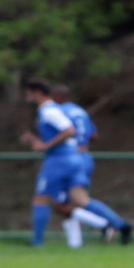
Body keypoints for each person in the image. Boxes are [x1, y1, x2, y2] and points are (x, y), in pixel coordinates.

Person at [20, 80, 133, 246]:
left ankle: (36, 243)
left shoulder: (50, 110)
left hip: (59, 159)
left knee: (43, 200)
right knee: (80, 200)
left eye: (28, 92)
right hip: (79, 157)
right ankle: (119, 225)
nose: (26, 96)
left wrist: (44, 145)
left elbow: (68, 130)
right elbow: (92, 135)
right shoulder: (78, 111)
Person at [50, 84, 117, 246]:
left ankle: (105, 224)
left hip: (67, 159)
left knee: (63, 203)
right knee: (66, 204)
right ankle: (75, 244)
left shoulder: (58, 112)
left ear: (57, 98)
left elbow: (64, 133)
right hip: (84, 157)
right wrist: (83, 144)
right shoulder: (80, 111)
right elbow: (93, 135)